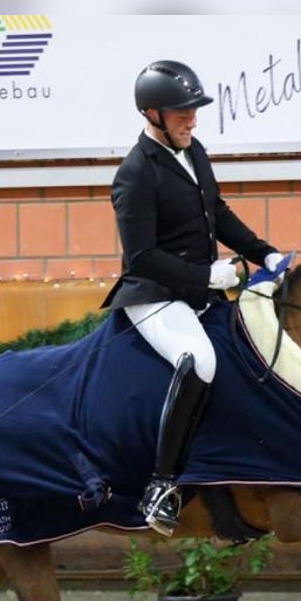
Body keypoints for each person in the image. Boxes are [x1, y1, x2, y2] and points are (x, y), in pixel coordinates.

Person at [101, 60, 285, 535]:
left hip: (199, 289)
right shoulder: (135, 174)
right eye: (182, 111)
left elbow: (216, 213)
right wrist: (205, 274)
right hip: (154, 296)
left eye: (194, 110)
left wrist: (264, 253)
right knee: (199, 359)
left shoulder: (193, 150)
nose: (193, 119)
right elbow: (140, 257)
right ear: (153, 114)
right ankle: (160, 485)